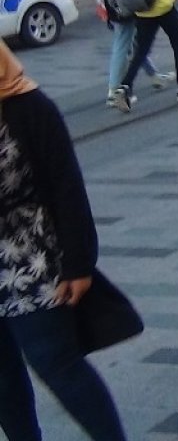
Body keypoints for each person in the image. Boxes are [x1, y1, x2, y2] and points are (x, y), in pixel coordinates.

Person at [0, 45, 127, 441]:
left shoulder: (28, 106)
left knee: (56, 362)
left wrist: (78, 262)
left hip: (31, 256)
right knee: (3, 380)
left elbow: (66, 185)